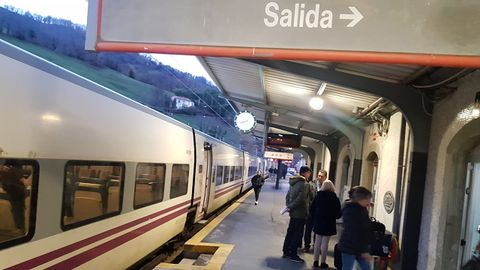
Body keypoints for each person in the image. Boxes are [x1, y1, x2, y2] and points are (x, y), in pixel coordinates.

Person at [338, 186, 373, 270]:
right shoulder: (352, 210)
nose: (369, 202)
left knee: (365, 267)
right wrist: (364, 251)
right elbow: (353, 231)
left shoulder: (360, 208)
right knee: (348, 267)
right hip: (350, 246)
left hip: (358, 246)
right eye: (368, 199)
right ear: (360, 199)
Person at [282, 166, 312, 263]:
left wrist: (289, 207)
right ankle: (293, 254)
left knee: (290, 231)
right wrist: (291, 206)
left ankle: (286, 251)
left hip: (293, 213)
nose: (309, 175)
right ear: (306, 173)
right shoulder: (305, 184)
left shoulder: (293, 182)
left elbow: (288, 196)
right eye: (309, 173)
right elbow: (301, 199)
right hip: (300, 213)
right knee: (297, 234)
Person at [311, 180, 342, 268]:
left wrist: (315, 217)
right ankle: (323, 262)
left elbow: (312, 208)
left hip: (318, 221)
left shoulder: (318, 196)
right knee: (325, 243)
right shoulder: (334, 198)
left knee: (317, 242)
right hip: (329, 223)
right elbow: (338, 213)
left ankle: (315, 261)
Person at [0, 160, 28, 234]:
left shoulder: (13, 171)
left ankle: (20, 228)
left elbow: (20, 182)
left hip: (16, 194)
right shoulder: (15, 171)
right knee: (17, 210)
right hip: (16, 193)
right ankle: (20, 228)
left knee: (17, 210)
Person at [303, 171, 317, 252]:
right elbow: (310, 196)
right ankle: (306, 245)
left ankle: (316, 245)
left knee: (316, 230)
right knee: (308, 229)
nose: (319, 177)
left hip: (318, 211)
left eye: (322, 176)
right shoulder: (312, 184)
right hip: (310, 210)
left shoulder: (326, 186)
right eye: (319, 175)